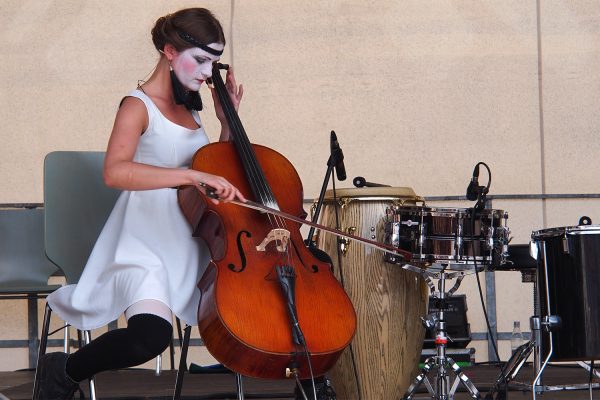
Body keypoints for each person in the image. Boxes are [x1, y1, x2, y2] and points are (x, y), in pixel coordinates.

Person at [33, 8, 245, 400]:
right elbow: (115, 172)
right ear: (169, 50)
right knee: (148, 338)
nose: (205, 73)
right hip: (142, 245)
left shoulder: (192, 110)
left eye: (213, 63)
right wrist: (191, 176)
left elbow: (211, 169)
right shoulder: (137, 106)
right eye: (199, 60)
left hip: (187, 243)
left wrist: (227, 122)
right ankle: (63, 370)